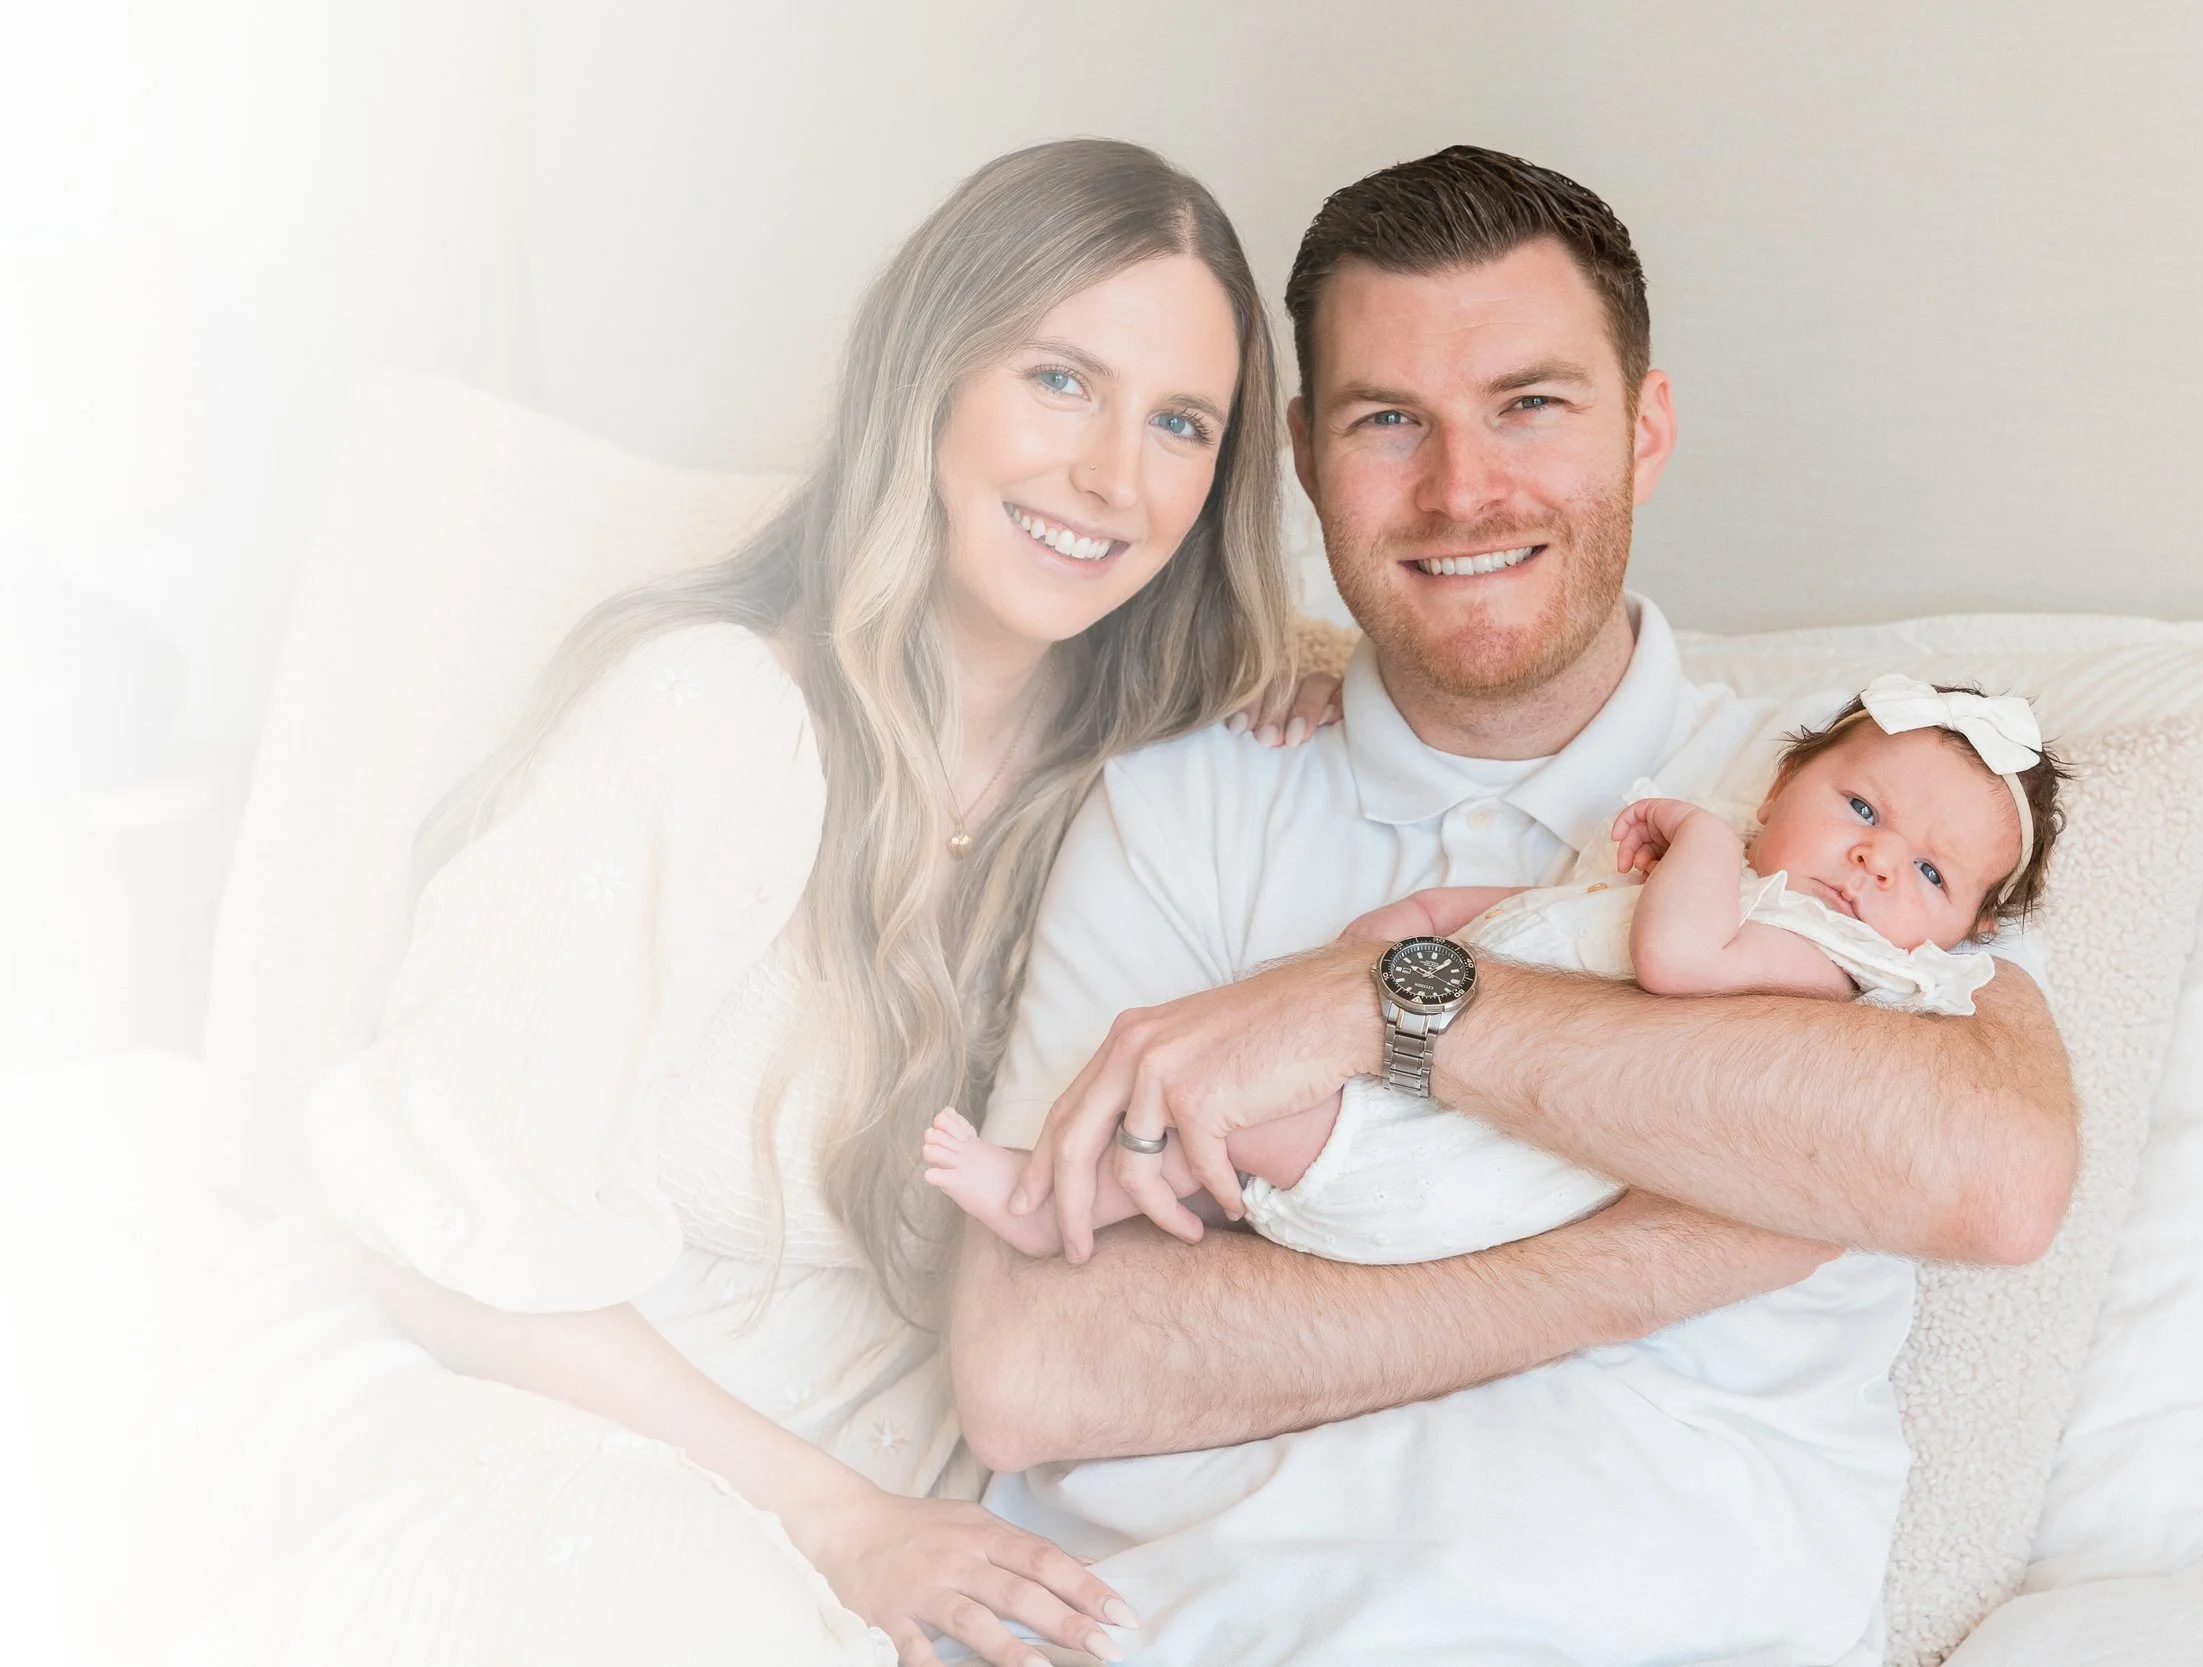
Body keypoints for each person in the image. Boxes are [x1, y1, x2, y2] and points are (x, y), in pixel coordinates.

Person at [174, 139, 1335, 1667]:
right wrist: (839, 1518)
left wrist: (1335, 665)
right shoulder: (713, 721)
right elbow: (444, 1248)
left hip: (868, 1487)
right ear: (932, 376)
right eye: (1060, 380)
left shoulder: (1149, 788)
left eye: (1179, 422)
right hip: (530, 1414)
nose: (1114, 476)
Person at [951, 147, 2078, 1665]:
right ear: (1301, 455)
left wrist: (1389, 1002)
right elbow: (1033, 1366)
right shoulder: (1180, 810)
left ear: (1647, 429)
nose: (1462, 488)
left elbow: (1994, 1171)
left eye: (1531, 404)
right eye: (1387, 420)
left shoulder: (1847, 800)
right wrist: (1701, 1223)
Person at [922, 677, 2068, 1263]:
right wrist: (1381, 946)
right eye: (1859, 807)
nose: (1873, 860)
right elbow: (1554, 922)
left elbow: (1673, 961)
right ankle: (1070, 1189)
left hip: (1455, 1148)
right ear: (1779, 790)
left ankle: (1056, 1203)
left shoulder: (1831, 964)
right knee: (1245, 1077)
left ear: (1959, 937)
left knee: (1233, 1111)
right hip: (1438, 1049)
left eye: (1928, 874)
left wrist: (1702, 842)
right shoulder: (1736, 881)